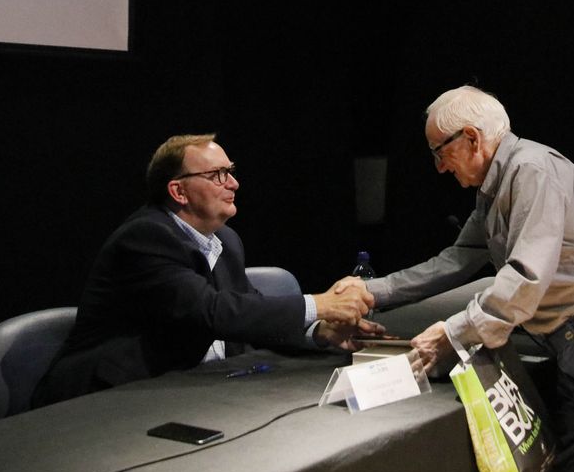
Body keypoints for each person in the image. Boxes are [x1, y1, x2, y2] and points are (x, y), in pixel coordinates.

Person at [337, 86, 574, 472]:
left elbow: (525, 278)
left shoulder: (531, 170)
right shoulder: (496, 184)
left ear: (471, 137)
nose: (440, 167)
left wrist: (453, 331)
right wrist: (374, 291)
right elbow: (458, 258)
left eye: (439, 152)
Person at [32, 134, 374, 407]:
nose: (233, 184)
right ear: (178, 191)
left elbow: (246, 316)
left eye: (231, 172)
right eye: (217, 175)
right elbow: (211, 311)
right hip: (107, 397)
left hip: (186, 389)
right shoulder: (146, 237)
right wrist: (321, 303)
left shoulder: (225, 240)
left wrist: (319, 332)